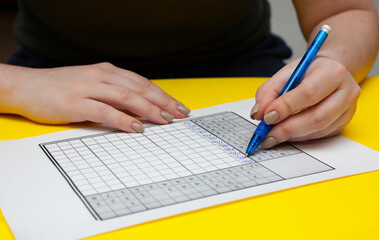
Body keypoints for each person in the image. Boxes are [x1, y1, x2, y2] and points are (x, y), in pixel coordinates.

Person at [0, 0, 378, 149]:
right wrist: (14, 84)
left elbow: (345, 11)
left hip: (241, 74)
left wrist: (332, 61)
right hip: (49, 79)